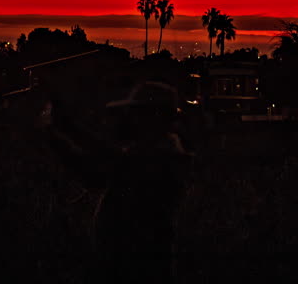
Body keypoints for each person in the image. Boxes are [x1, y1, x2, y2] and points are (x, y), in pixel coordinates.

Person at [39, 81, 190, 283]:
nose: (128, 119)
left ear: (154, 117)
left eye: (135, 113)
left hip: (136, 268)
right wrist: (67, 128)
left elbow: (95, 173)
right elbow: (108, 157)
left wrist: (54, 135)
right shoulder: (159, 151)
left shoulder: (160, 158)